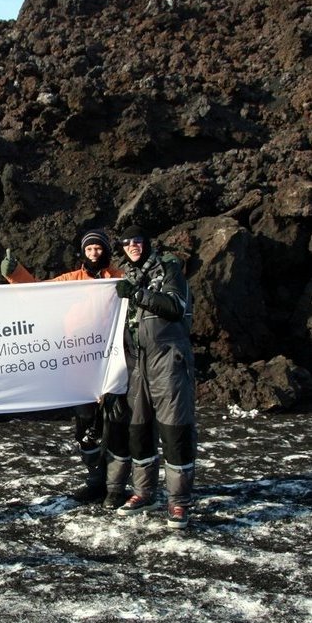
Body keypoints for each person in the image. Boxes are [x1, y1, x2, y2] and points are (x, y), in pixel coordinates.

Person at [0, 229, 131, 509]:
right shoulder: (71, 281)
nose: (94, 253)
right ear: (83, 253)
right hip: (80, 367)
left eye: (98, 248)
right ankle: (95, 481)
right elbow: (40, 293)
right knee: (86, 428)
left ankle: (116, 487)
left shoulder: (119, 278)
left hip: (113, 364)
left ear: (106, 251)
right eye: (89, 249)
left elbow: (139, 298)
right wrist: (16, 273)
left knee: (116, 425)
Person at [113, 224, 197, 529]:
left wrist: (138, 294)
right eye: (127, 243)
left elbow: (176, 306)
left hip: (168, 360)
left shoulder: (169, 269)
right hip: (136, 363)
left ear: (147, 243)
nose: (133, 246)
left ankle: (179, 501)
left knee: (175, 430)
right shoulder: (123, 275)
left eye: (138, 241)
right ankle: (143, 492)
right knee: (138, 430)